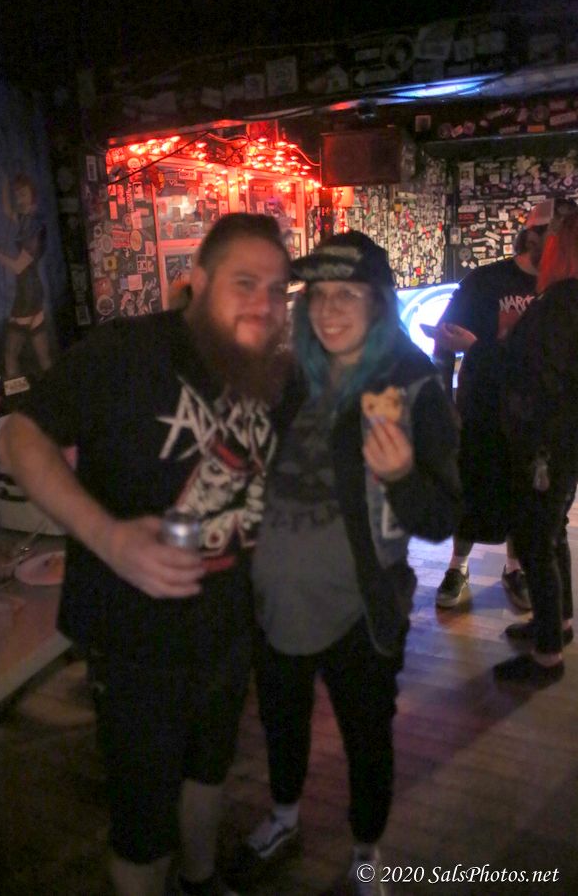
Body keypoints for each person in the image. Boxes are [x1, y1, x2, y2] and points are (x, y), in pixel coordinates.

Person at [0, 213, 292, 896]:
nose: (264, 303)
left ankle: (202, 880)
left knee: (209, 771)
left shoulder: (276, 372)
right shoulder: (127, 351)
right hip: (135, 640)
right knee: (142, 820)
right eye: (245, 282)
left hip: (229, 627)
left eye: (278, 289)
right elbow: (18, 439)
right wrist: (109, 537)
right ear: (199, 281)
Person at [226, 232, 460, 895]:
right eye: (319, 294)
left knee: (366, 737)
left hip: (360, 609)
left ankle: (366, 850)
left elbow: (442, 517)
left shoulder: (412, 383)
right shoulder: (288, 376)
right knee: (281, 722)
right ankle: (284, 817)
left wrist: (405, 475)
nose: (328, 310)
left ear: (379, 301)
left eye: (347, 294)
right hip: (274, 603)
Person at [432, 197, 578, 611]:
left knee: (524, 499)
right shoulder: (486, 280)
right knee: (471, 489)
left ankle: (515, 569)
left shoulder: (562, 291)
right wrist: (443, 401)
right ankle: (457, 566)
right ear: (533, 236)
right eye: (557, 233)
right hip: (483, 407)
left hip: (534, 421)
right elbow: (444, 339)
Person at [493, 212, 578, 684]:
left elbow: (539, 379)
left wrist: (504, 338)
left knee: (534, 542)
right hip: (563, 440)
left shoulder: (561, 303)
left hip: (545, 444)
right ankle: (558, 624)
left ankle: (547, 655)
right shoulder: (566, 301)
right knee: (551, 533)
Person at [0, 170, 52, 380]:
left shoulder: (34, 225)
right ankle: (55, 390)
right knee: (44, 357)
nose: (18, 199)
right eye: (17, 195)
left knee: (10, 355)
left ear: (32, 195)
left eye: (23, 194)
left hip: (27, 295)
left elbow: (18, 267)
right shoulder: (26, 219)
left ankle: (16, 398)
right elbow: (8, 210)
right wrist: (4, 181)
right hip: (32, 291)